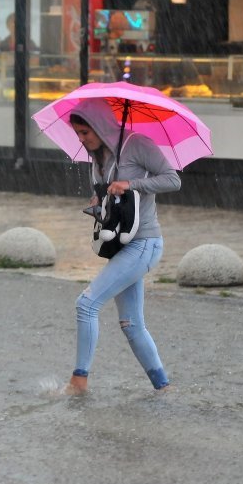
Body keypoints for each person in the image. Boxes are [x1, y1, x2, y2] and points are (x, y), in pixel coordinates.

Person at [64, 99, 181, 395]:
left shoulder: (137, 144)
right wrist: (98, 202)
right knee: (131, 324)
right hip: (120, 246)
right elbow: (111, 199)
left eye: (85, 132)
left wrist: (131, 184)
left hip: (144, 243)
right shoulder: (99, 157)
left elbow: (172, 180)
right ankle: (163, 388)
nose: (81, 139)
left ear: (101, 126)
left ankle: (79, 381)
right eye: (77, 133)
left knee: (86, 304)